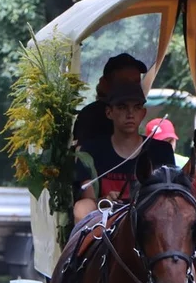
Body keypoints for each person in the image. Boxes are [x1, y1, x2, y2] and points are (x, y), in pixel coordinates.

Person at [72, 82, 176, 223]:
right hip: (105, 221)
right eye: (122, 107)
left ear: (143, 113)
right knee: (81, 207)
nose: (130, 114)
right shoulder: (91, 150)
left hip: (149, 221)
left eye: (136, 107)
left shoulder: (161, 150)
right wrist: (103, 200)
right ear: (109, 112)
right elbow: (87, 198)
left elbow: (168, 196)